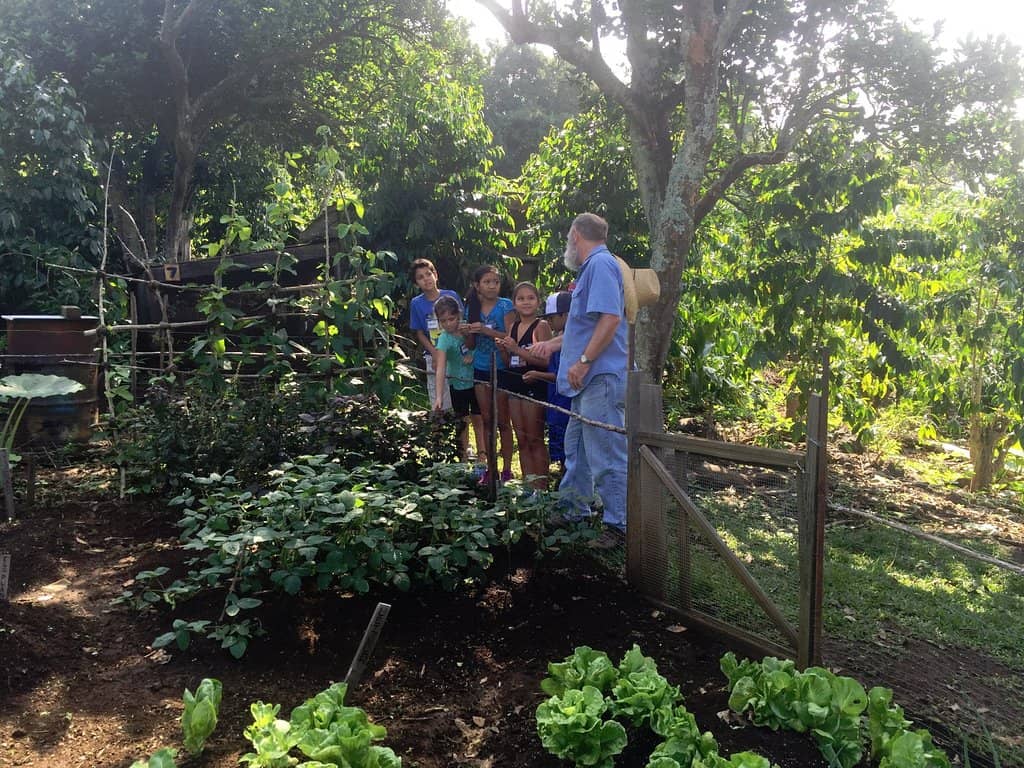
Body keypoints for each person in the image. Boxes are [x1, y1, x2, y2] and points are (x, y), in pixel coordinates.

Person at [530, 213, 628, 545]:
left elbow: (610, 319)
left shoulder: (600, 265)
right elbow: (582, 329)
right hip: (586, 383)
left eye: (567, 236)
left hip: (599, 377)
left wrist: (584, 362)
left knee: (605, 453)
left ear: (575, 235)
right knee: (578, 449)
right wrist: (549, 344)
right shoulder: (592, 269)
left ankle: (618, 525)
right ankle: (574, 510)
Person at [408, 258, 470, 458]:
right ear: (416, 282)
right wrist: (434, 352)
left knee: (461, 404)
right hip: (433, 357)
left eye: (428, 274)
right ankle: (438, 447)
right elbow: (419, 332)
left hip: (458, 357)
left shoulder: (451, 296)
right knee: (438, 402)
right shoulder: (416, 304)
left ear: (435, 274)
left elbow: (463, 324)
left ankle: (463, 449)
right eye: (420, 277)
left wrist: (464, 350)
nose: (426, 279)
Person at [462, 264, 515, 485]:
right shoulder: (471, 308)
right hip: (480, 367)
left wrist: (485, 330)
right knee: (486, 419)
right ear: (477, 285)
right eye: (487, 282)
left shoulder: (506, 306)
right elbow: (470, 344)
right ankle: (490, 469)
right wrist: (467, 333)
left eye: (495, 282)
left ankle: (507, 469)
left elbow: (511, 336)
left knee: (503, 421)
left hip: (502, 367)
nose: (492, 286)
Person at [496, 282, 552, 490]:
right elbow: (510, 360)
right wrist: (503, 349)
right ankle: (528, 487)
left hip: (534, 385)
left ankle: (542, 488)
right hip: (515, 384)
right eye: (521, 298)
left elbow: (547, 362)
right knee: (522, 439)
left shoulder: (542, 326)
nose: (526, 302)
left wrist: (517, 349)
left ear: (538, 301)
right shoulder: (513, 327)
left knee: (535, 438)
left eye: (530, 298)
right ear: (514, 303)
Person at [431, 295, 486, 466]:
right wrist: (439, 396)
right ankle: (463, 458)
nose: (448, 324)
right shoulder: (444, 339)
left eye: (452, 319)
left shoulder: (468, 329)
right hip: (458, 385)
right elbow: (440, 368)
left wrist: (472, 356)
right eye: (444, 321)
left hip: (476, 382)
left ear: (459, 315)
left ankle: (482, 457)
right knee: (462, 421)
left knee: (479, 419)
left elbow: (481, 348)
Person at [523, 291, 572, 477]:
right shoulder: (557, 338)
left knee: (571, 451)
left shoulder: (573, 342)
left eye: (552, 318)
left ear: (566, 315)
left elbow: (562, 375)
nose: (549, 323)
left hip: (567, 404)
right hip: (556, 402)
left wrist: (538, 375)